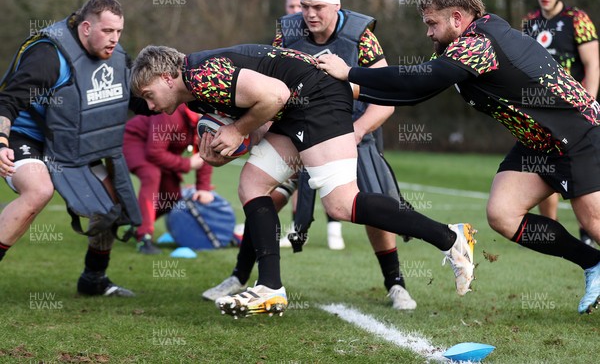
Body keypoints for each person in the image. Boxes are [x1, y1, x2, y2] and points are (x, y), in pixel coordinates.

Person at [318, 0, 600, 315]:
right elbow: (417, 92)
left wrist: (350, 72)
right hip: (538, 142)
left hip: (578, 134)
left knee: (595, 224)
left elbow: (418, 80)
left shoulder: (479, 44)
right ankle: (593, 264)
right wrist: (353, 88)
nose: (428, 33)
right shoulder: (467, 43)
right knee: (503, 213)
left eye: (432, 23)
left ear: (456, 17)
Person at [130, 44, 476, 318]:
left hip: (318, 97)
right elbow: (264, 117)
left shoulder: (201, 75)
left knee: (342, 203)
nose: (148, 106)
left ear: (166, 77)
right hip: (298, 105)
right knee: (252, 184)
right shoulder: (197, 88)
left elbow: (275, 96)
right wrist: (225, 150)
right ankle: (270, 289)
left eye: (148, 94)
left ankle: (450, 236)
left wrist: (236, 131)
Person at [202, 0, 418, 311]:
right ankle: (240, 276)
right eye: (304, 6)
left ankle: (396, 283)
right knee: (265, 197)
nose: (310, 14)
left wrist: (358, 130)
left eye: (318, 7)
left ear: (336, 5)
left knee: (368, 205)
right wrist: (251, 130)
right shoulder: (286, 33)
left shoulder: (361, 36)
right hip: (295, 130)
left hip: (350, 132)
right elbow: (266, 86)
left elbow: (386, 95)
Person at [0, 0, 150, 296]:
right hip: (25, 136)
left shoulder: (115, 56)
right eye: (107, 31)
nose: (114, 39)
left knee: (111, 204)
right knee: (39, 190)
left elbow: (136, 100)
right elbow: (7, 101)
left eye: (119, 32)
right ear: (85, 28)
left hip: (72, 144)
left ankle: (93, 279)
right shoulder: (48, 56)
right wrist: (1, 140)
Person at [522, 0, 600, 246]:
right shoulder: (529, 23)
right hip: (541, 111)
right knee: (546, 166)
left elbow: (592, 64)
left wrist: (587, 104)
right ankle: (553, 232)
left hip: (575, 109)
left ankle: (587, 230)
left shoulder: (577, 19)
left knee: (581, 171)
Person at [123, 104, 214, 254]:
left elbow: (205, 154)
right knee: (151, 174)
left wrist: (203, 188)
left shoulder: (206, 123)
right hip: (134, 141)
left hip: (160, 150)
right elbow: (153, 152)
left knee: (172, 195)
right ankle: (144, 237)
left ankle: (135, 223)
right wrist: (187, 164)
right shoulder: (170, 113)